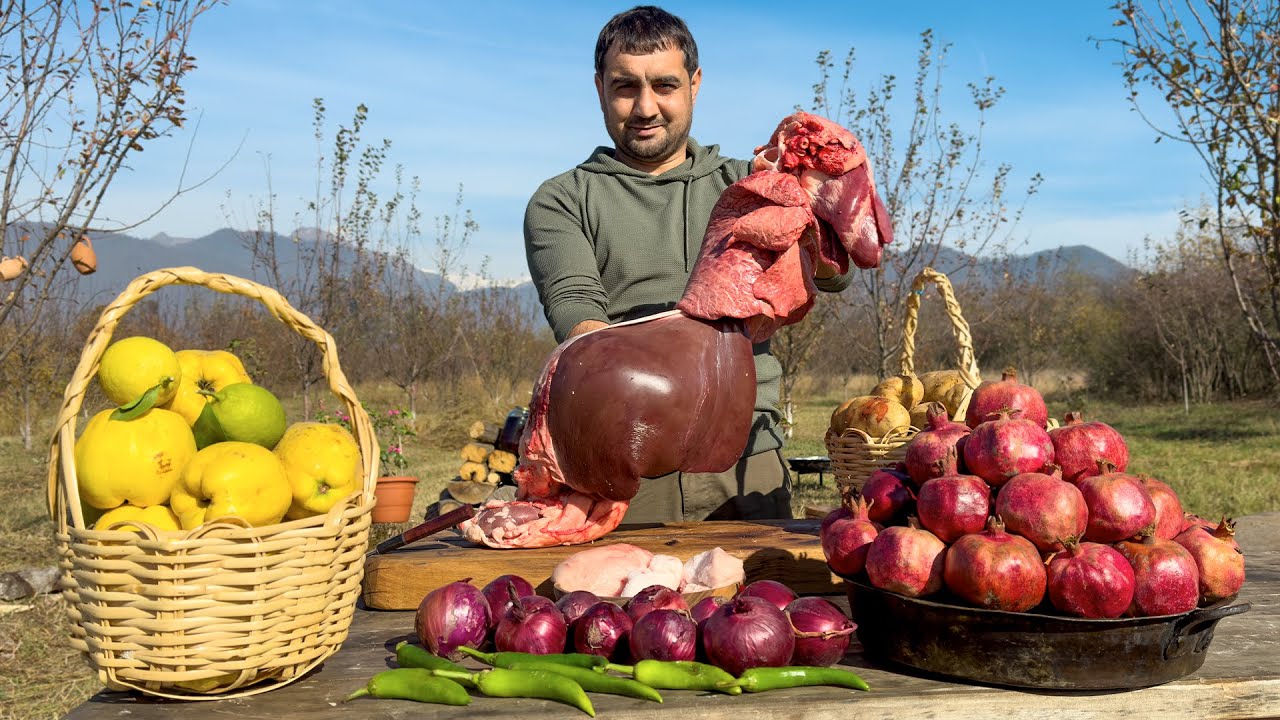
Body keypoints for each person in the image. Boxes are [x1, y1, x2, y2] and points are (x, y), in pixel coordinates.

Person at [523, 5, 850, 524]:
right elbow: (579, 320)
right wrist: (646, 403)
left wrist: (821, 209)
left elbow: (836, 274)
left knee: (761, 605)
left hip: (748, 462)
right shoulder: (562, 200)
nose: (645, 106)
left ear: (695, 84)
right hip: (628, 461)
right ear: (599, 88)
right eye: (625, 86)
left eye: (665, 85)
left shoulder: (749, 185)